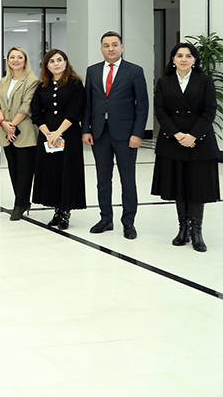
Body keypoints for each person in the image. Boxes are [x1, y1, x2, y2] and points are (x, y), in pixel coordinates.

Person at [151, 42, 220, 253]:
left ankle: (197, 232)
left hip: (199, 142)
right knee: (179, 187)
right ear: (173, 60)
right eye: (179, 55)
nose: (183, 59)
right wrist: (178, 135)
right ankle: (183, 229)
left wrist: (192, 135)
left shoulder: (205, 81)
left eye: (188, 56)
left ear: (194, 60)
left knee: (197, 188)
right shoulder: (164, 82)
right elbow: (160, 111)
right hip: (173, 141)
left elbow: (209, 111)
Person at [81, 31, 148, 239]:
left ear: (122, 47)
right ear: (101, 48)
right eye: (106, 45)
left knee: (128, 180)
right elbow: (88, 103)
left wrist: (137, 133)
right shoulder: (92, 71)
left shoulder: (134, 71)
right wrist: (85, 129)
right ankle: (105, 218)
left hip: (126, 134)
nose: (111, 48)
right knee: (103, 179)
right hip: (99, 132)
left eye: (114, 45)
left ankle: (128, 222)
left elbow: (142, 105)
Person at [31, 49, 86, 230]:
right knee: (52, 172)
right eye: (52, 61)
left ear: (66, 62)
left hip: (68, 135)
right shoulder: (42, 86)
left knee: (67, 172)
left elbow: (75, 111)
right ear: (46, 66)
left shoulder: (75, 84)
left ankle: (65, 212)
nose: (56, 64)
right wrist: (48, 133)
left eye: (59, 60)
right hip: (47, 136)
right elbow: (36, 112)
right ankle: (56, 210)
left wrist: (58, 132)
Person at [0, 47, 40, 221]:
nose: (16, 60)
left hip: (24, 132)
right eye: (12, 57)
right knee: (13, 169)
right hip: (6, 131)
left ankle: (20, 204)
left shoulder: (31, 80)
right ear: (8, 60)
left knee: (25, 171)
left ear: (25, 60)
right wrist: (4, 123)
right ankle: (22, 201)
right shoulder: (3, 81)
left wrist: (12, 125)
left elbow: (26, 105)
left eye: (19, 57)